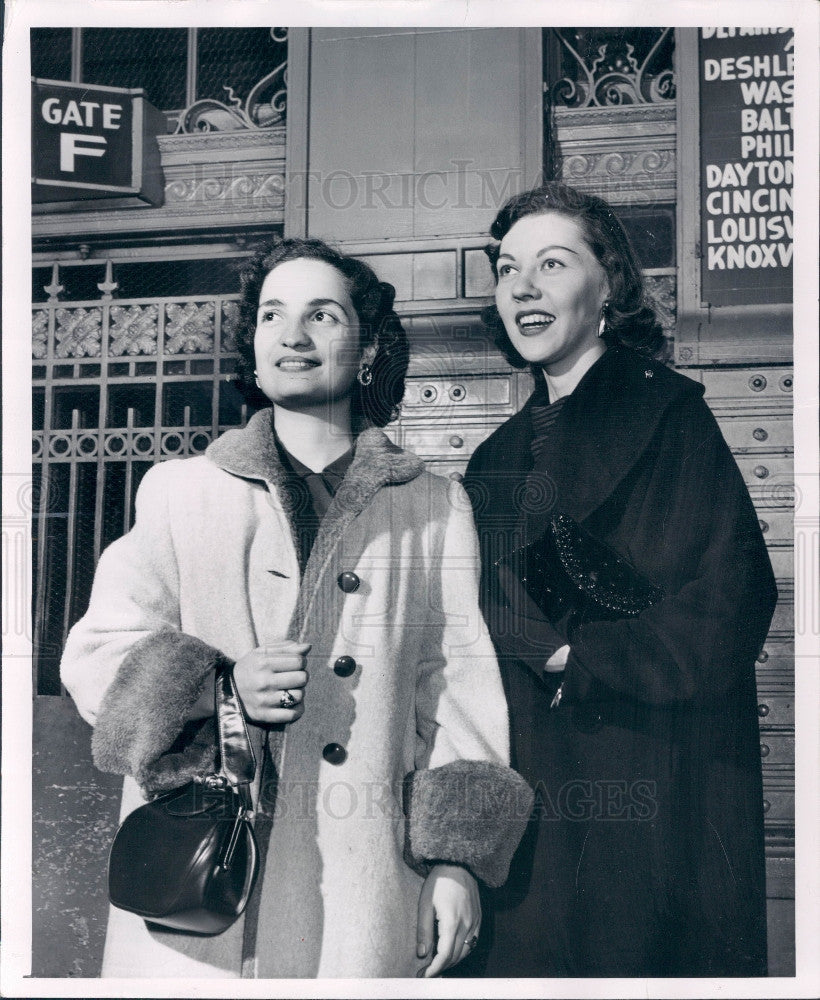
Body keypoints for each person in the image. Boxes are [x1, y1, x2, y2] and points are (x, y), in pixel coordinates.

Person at [60, 237, 531, 979]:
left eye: (323, 315)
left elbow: (455, 695)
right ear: (252, 347)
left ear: (368, 347)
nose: (293, 334)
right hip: (199, 901)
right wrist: (220, 687)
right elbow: (94, 655)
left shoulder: (435, 508)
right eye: (273, 315)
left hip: (363, 893)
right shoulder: (181, 492)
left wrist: (456, 864)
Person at [461, 183, 776, 977]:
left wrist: (578, 658)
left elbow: (731, 603)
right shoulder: (493, 458)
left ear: (609, 289)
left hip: (660, 790)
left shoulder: (669, 415)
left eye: (551, 264)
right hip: (535, 801)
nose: (522, 287)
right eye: (506, 269)